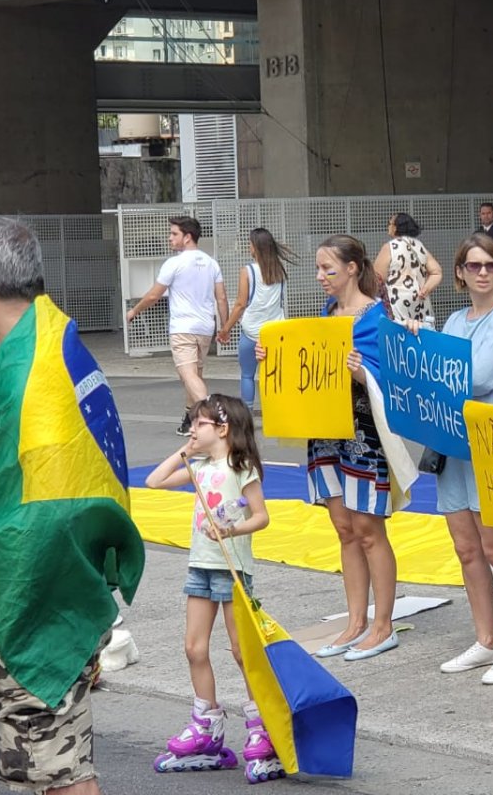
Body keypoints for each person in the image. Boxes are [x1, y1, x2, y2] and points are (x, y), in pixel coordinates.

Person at [0, 216, 145, 795]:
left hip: (36, 604)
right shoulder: (51, 337)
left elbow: (46, 510)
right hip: (56, 590)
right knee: (43, 767)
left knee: (56, 772)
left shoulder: (31, 369)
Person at [259, 235, 403, 660]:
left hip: (361, 434)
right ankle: (356, 620)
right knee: (344, 528)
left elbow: (388, 377)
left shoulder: (377, 318)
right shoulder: (327, 316)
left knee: (368, 529)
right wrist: (273, 359)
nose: (322, 276)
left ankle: (383, 624)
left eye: (329, 269)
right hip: (324, 431)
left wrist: (361, 374)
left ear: (353, 268)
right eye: (319, 269)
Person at [408, 234, 493, 684]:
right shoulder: (455, 321)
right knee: (466, 549)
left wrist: (435, 361)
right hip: (450, 443)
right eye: (474, 265)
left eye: (491, 265)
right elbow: (434, 374)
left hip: (488, 444)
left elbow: (479, 377)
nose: (483, 273)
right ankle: (486, 639)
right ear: (459, 272)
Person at [145, 394, 281, 782]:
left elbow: (262, 516)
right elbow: (154, 481)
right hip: (200, 566)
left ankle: (261, 725)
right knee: (194, 647)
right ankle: (206, 722)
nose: (192, 428)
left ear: (221, 429)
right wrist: (184, 450)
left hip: (232, 567)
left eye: (198, 424)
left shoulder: (242, 467)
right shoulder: (198, 464)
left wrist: (231, 528)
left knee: (242, 651)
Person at [126, 216, 229, 436]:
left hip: (182, 327)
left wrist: (135, 310)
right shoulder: (211, 263)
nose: (170, 238)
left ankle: (213, 414)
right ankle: (189, 419)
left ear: (188, 237)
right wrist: (225, 326)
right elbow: (221, 297)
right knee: (194, 376)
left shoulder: (174, 263)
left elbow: (155, 295)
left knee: (189, 376)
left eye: (174, 234)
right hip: (204, 327)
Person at [218, 228, 293, 409]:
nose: (248, 246)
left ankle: (247, 414)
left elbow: (240, 304)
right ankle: (278, 411)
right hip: (275, 331)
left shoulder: (247, 271)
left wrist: (225, 329)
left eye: (250, 243)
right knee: (275, 374)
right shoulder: (279, 271)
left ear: (256, 248)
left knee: (247, 375)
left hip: (251, 332)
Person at [373, 213, 442, 326]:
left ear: (395, 227)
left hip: (396, 303)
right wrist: (425, 289)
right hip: (420, 302)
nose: (388, 227)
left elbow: (377, 279)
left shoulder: (390, 247)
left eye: (389, 223)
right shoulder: (419, 246)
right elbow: (436, 272)